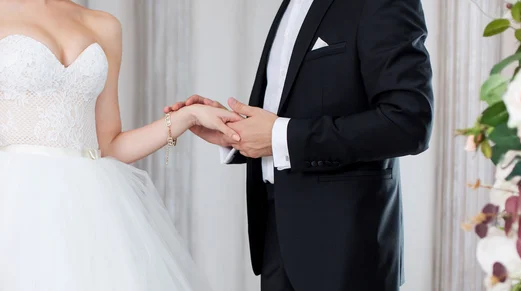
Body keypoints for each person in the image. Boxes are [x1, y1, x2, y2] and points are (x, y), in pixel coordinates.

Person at [166, 0, 434, 290]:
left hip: (345, 249)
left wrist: (280, 137)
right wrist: (234, 132)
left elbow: (408, 122)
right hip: (277, 235)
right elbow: (293, 108)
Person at [0, 0, 240, 290]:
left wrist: (186, 117)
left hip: (91, 205)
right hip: (15, 200)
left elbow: (110, 145)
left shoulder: (103, 25)